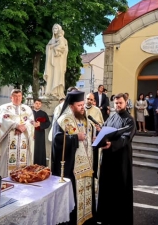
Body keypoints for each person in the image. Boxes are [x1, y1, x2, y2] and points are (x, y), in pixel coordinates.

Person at [51, 90, 97, 225]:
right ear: (71, 106)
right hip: (73, 168)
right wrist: (76, 137)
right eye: (79, 105)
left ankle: (87, 219)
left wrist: (93, 137)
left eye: (83, 105)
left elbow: (87, 135)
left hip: (86, 167)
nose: (83, 107)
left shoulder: (84, 118)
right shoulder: (63, 120)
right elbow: (57, 140)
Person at [96, 93, 136, 225]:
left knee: (119, 187)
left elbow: (126, 138)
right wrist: (100, 132)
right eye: (116, 103)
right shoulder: (111, 117)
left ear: (125, 103)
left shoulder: (130, 120)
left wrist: (112, 144)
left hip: (121, 159)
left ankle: (119, 219)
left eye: (120, 103)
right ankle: (106, 216)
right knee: (107, 186)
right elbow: (105, 131)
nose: (118, 105)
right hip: (108, 157)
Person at [0, 89, 35, 178]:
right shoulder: (4, 107)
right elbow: (1, 119)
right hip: (8, 139)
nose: (17, 98)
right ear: (11, 97)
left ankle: (23, 180)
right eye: (15, 96)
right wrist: (15, 125)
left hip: (23, 138)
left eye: (19, 96)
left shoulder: (27, 108)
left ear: (22, 97)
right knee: (6, 160)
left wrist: (24, 127)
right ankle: (5, 181)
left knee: (23, 161)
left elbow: (31, 120)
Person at [43, 24, 68, 99]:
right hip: (51, 62)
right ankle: (50, 91)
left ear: (59, 30)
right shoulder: (51, 40)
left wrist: (57, 49)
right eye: (53, 28)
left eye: (56, 28)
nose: (54, 30)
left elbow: (65, 50)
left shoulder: (64, 40)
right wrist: (52, 47)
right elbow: (48, 48)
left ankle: (57, 92)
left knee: (58, 76)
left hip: (59, 62)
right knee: (51, 76)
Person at [32, 99, 51, 166]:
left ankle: (40, 166)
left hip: (40, 135)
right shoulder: (30, 113)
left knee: (40, 150)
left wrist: (40, 124)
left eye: (39, 103)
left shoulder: (43, 113)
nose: (38, 105)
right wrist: (32, 124)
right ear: (33, 104)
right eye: (36, 103)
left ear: (41, 105)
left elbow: (48, 123)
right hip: (31, 134)